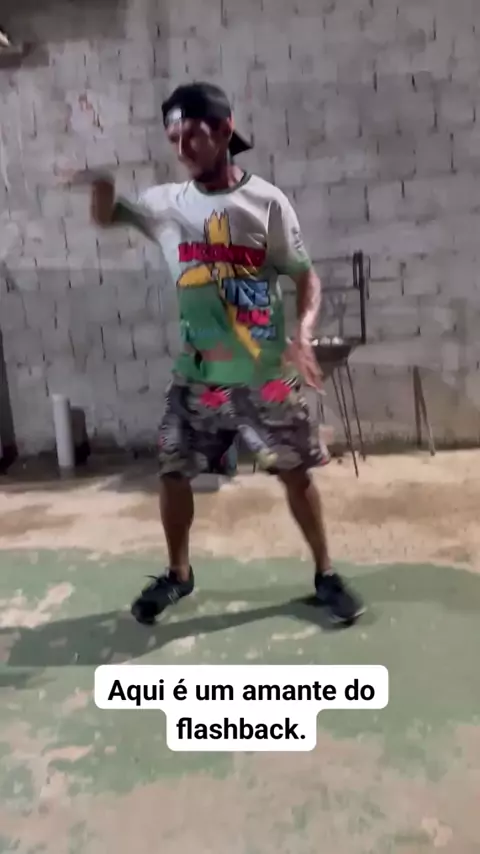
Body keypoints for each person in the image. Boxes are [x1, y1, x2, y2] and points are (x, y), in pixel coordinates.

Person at [86, 81, 365, 626]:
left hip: (264, 372)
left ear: (224, 130)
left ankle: (326, 573)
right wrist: (100, 185)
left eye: (193, 134)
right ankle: (178, 574)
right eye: (174, 138)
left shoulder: (267, 202)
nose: (182, 148)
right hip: (198, 375)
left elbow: (305, 276)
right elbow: (106, 216)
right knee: (172, 471)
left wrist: (303, 332)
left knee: (295, 474)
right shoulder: (164, 203)